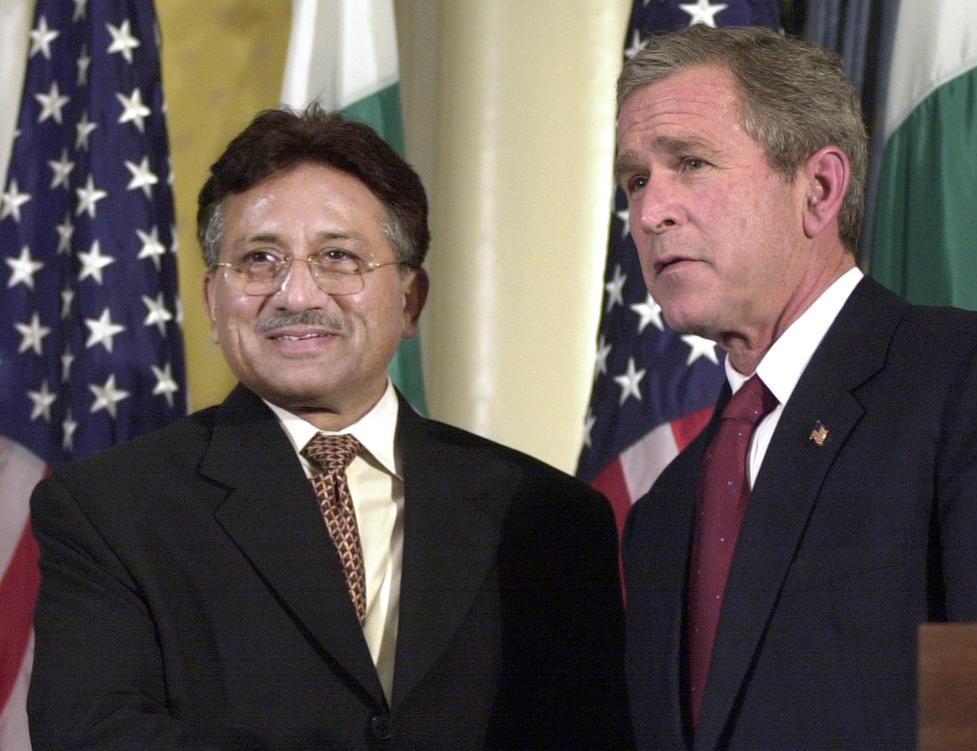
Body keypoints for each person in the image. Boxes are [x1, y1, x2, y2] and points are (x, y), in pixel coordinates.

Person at [28, 105, 633, 750]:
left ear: (409, 300)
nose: (296, 295)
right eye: (260, 258)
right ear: (211, 301)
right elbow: (94, 738)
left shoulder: (549, 517)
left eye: (338, 257)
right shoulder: (108, 508)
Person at [615, 25, 977, 750]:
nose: (647, 212)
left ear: (818, 189)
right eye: (636, 180)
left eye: (689, 163)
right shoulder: (662, 510)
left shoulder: (971, 386)